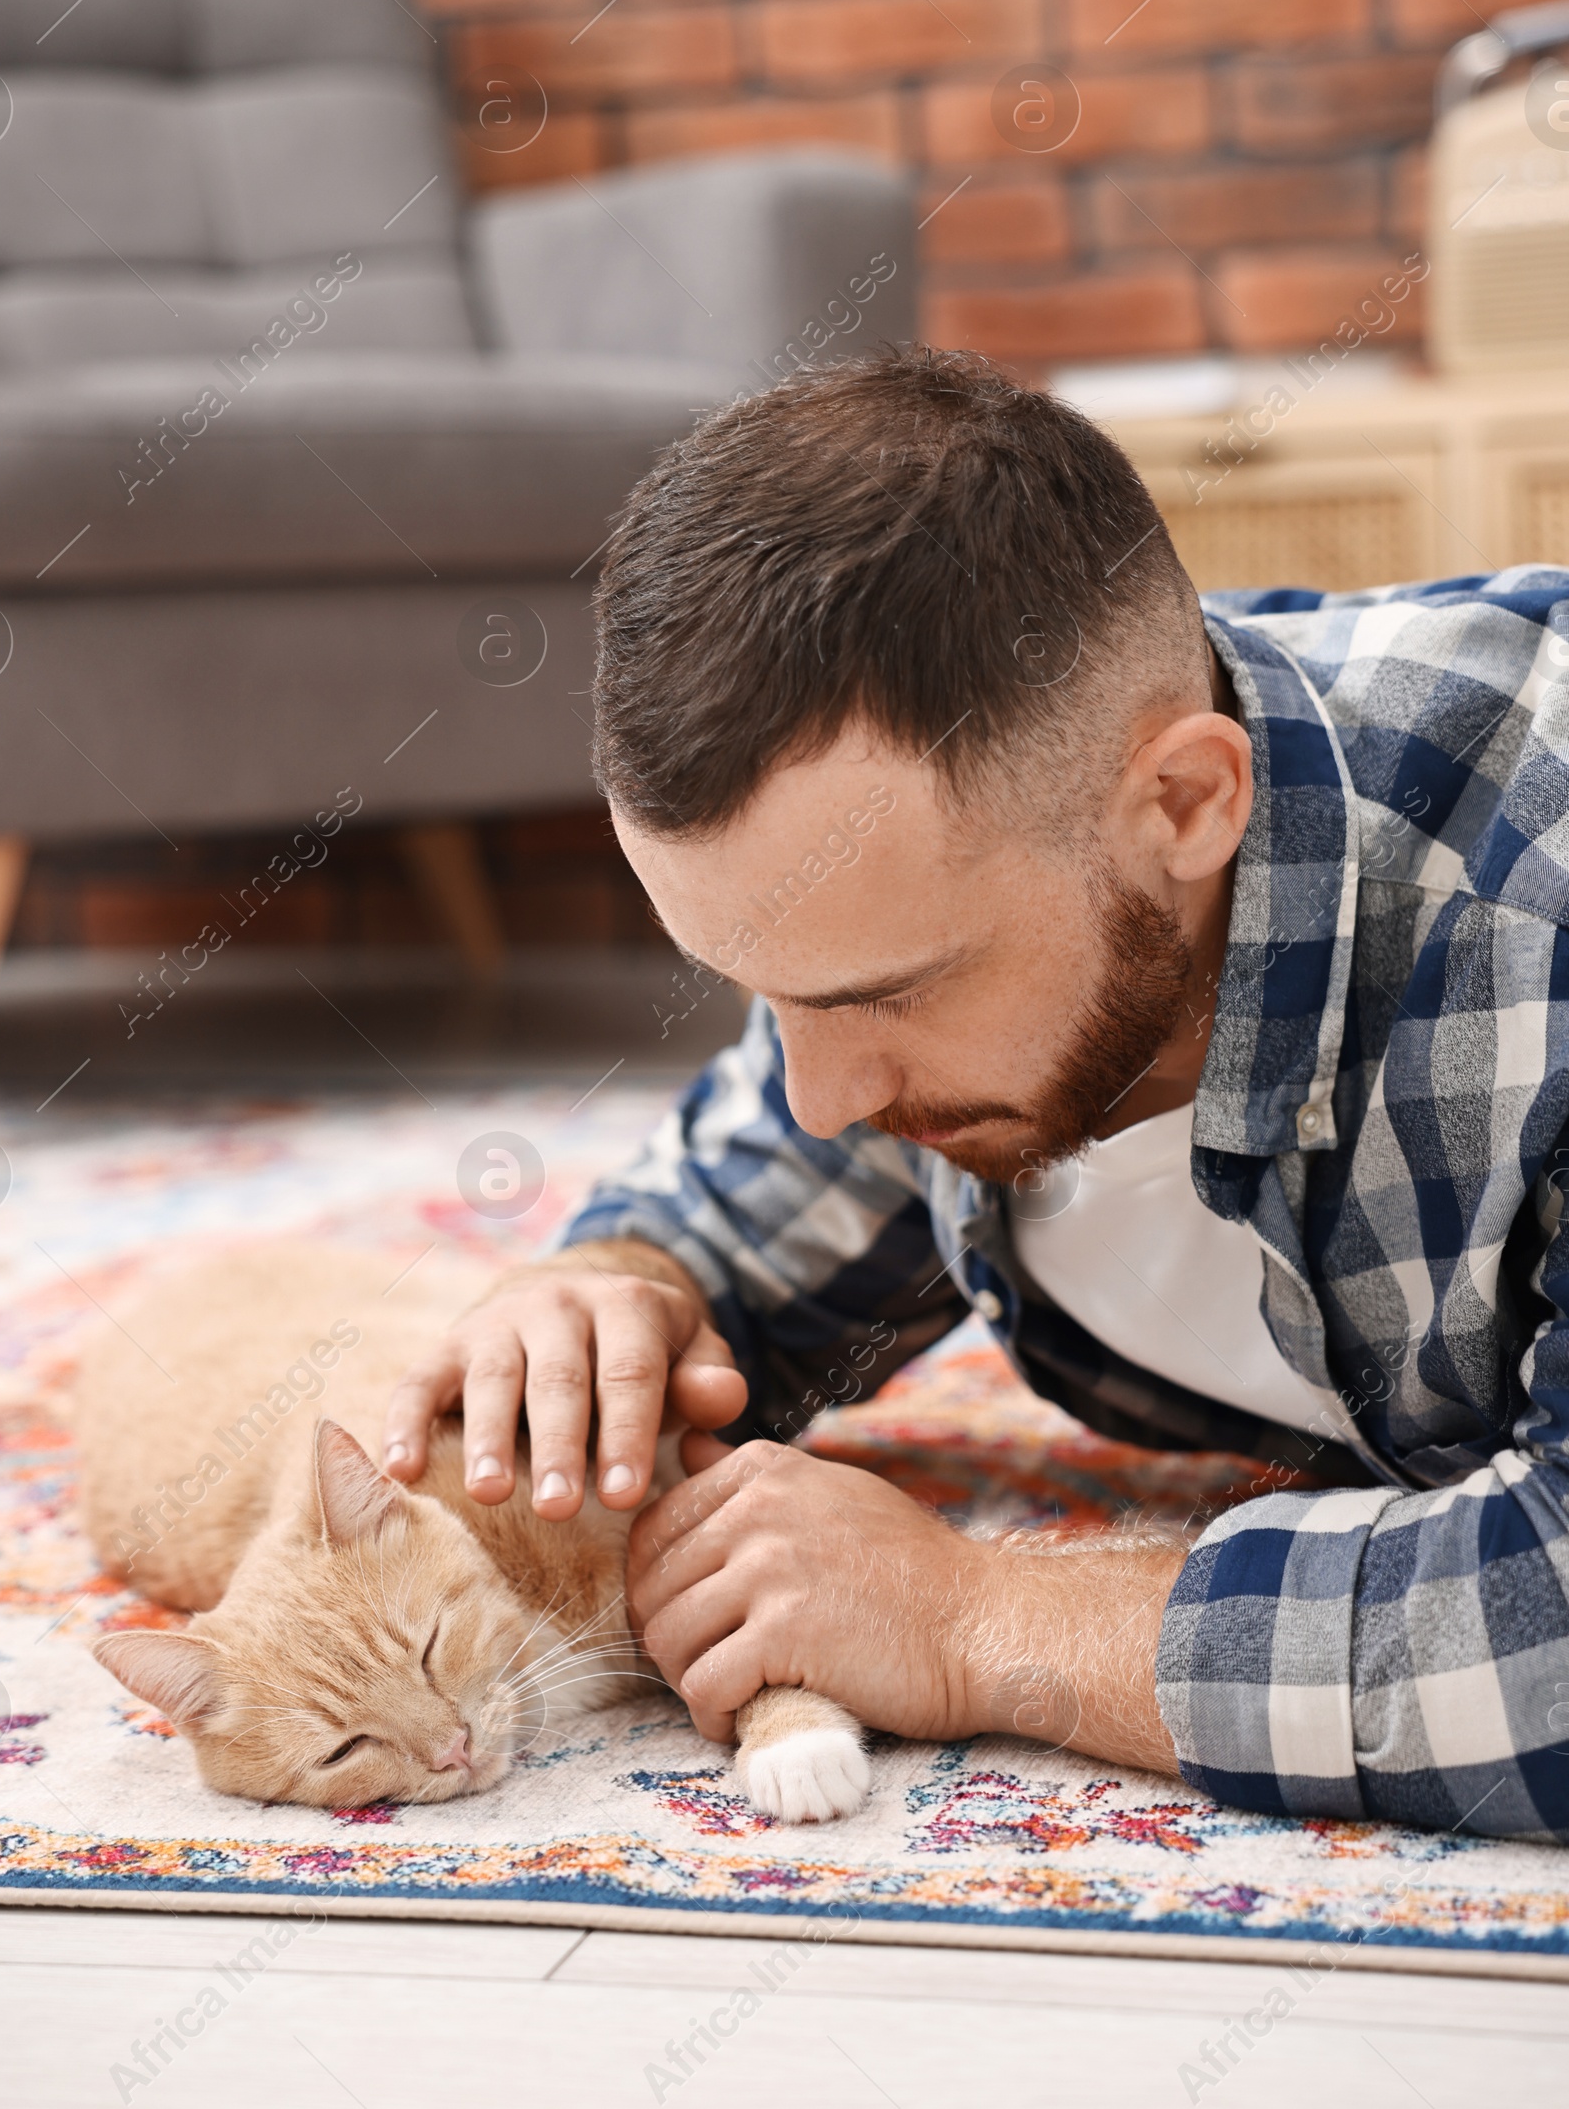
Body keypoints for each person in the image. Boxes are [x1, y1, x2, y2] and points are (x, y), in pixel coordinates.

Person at [384, 346, 1569, 1838]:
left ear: (1189, 804)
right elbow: (727, 1233)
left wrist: (975, 1615)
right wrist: (613, 1292)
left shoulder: (1533, 915)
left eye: (880, 993)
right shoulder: (989, 859)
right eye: (764, 992)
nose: (818, 1098)